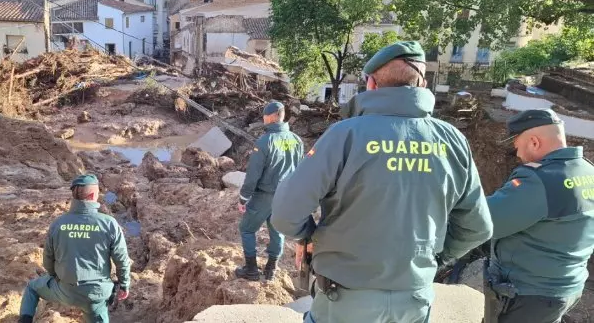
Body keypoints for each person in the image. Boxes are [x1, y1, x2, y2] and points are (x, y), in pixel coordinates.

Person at [270, 41, 494, 323]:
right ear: (423, 84)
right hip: (414, 299)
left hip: (345, 300)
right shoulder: (453, 140)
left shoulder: (344, 135)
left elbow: (285, 213)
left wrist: (311, 235)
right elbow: (478, 226)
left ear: (372, 84)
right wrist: (432, 259)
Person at [484, 109, 594, 323]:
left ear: (534, 142)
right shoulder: (587, 171)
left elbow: (487, 221)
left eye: (517, 147)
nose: (517, 156)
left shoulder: (539, 179)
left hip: (529, 292)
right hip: (567, 286)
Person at [19, 174, 130, 323]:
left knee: (32, 288)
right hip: (96, 294)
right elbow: (121, 259)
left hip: (65, 291)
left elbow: (48, 260)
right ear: (92, 195)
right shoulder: (109, 223)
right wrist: (124, 284)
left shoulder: (58, 223)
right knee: (96, 310)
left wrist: (55, 277)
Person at [235, 101, 304, 282]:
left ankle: (251, 270)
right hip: (285, 195)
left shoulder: (265, 141)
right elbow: (301, 170)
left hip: (265, 195)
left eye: (265, 115)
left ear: (273, 116)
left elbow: (253, 175)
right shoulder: (296, 140)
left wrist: (243, 198)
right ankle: (271, 269)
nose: (263, 119)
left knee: (247, 229)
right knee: (277, 231)